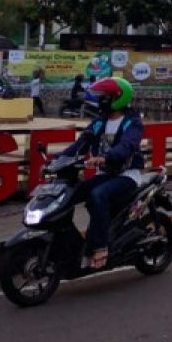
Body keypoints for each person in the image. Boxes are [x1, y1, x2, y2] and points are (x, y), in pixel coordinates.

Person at [55, 77, 144, 269]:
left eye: (106, 96)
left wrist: (106, 157)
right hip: (104, 175)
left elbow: (126, 146)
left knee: (98, 194)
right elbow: (80, 144)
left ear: (118, 98)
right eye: (102, 96)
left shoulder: (132, 123)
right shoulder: (99, 122)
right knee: (70, 194)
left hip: (126, 176)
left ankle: (100, 246)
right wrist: (56, 160)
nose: (102, 100)